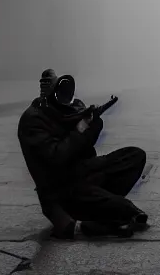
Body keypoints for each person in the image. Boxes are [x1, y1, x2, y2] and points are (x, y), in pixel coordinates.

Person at [17, 69, 148, 239]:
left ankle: (100, 208)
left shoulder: (70, 109)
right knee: (123, 208)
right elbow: (56, 157)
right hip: (61, 188)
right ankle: (98, 216)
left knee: (134, 156)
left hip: (85, 171)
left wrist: (93, 124)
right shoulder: (34, 120)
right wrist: (79, 130)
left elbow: (86, 147)